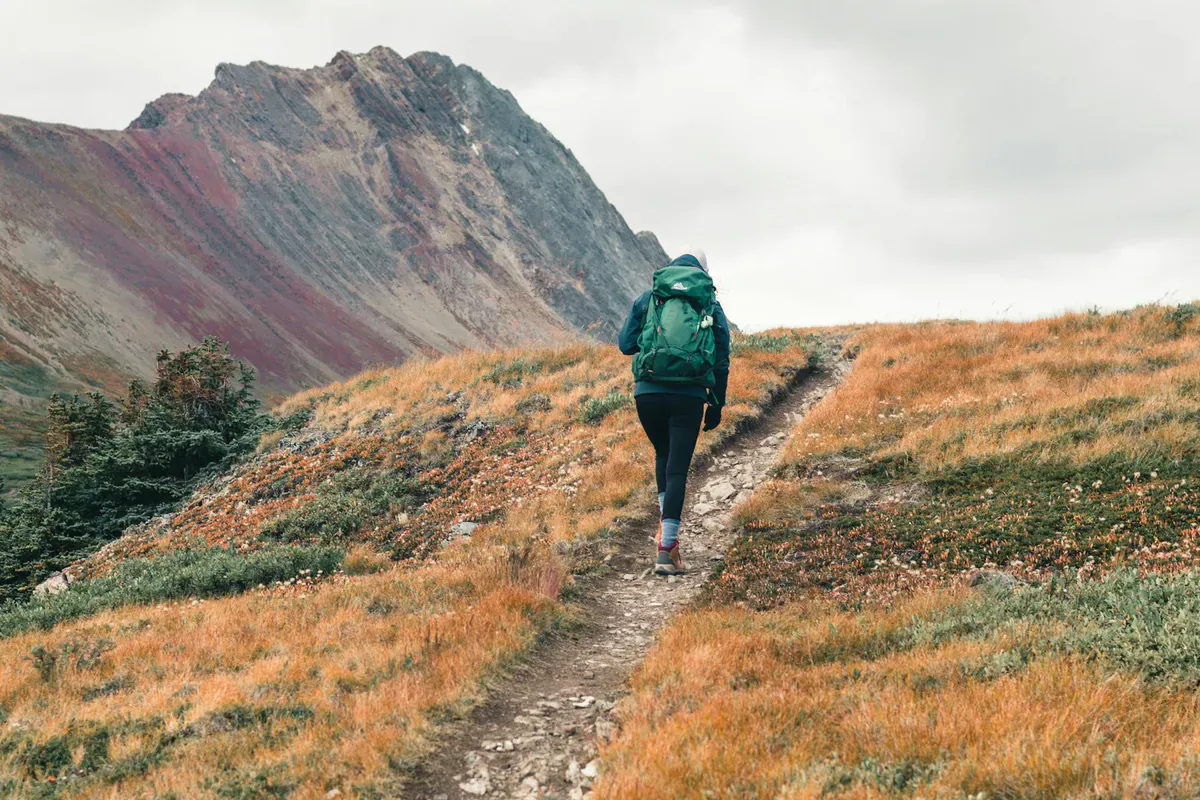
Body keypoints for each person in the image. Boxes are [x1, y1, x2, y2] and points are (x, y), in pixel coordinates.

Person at [618, 249, 730, 576]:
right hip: (689, 396)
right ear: (703, 273)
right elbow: (721, 358)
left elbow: (626, 344)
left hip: (648, 393)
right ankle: (666, 549)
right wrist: (717, 404)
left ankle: (665, 534)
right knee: (677, 469)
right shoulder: (709, 303)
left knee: (662, 453)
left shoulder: (650, 297)